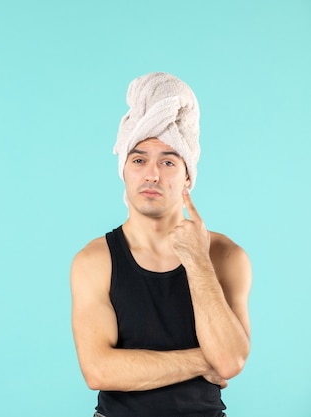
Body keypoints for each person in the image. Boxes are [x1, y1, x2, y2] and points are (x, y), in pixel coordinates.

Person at [70, 72, 251, 417]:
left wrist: (197, 260)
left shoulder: (227, 256)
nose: (152, 174)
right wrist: (203, 359)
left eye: (168, 161)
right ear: (124, 169)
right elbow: (98, 370)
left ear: (187, 176)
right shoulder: (94, 261)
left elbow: (229, 361)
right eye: (139, 160)